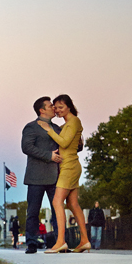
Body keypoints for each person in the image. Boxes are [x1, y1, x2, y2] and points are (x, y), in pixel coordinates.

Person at [38, 94, 91, 253]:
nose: (58, 110)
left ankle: (61, 241)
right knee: (72, 204)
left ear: (69, 106)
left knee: (56, 202)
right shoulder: (69, 123)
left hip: (69, 167)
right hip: (70, 165)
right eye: (56, 107)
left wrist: (49, 130)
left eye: (61, 107)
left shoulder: (74, 121)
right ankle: (84, 241)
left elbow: (65, 142)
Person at [21, 96, 63, 253]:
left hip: (55, 177)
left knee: (57, 210)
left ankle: (60, 241)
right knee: (33, 212)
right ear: (42, 110)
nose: (54, 108)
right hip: (35, 177)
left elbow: (67, 145)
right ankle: (31, 243)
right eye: (50, 106)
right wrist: (49, 155)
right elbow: (26, 147)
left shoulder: (58, 128)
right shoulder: (31, 127)